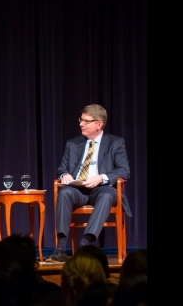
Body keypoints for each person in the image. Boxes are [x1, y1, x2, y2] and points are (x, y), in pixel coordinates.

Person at [48, 104, 132, 262]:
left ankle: (84, 244)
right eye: (81, 120)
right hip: (78, 190)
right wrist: (65, 174)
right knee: (64, 192)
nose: (81, 124)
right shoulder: (73, 144)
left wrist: (101, 177)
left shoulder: (115, 143)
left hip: (102, 189)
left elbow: (124, 170)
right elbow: (61, 168)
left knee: (108, 195)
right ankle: (60, 247)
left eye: (86, 121)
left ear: (99, 124)